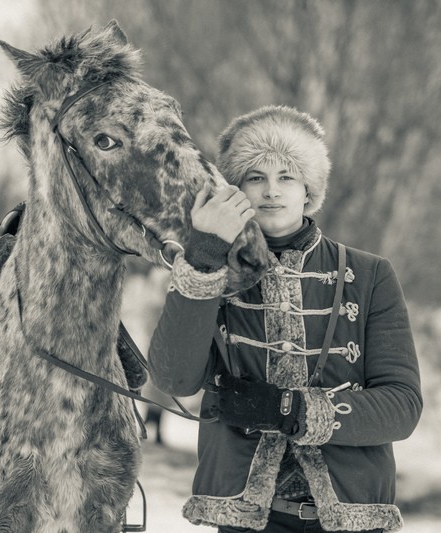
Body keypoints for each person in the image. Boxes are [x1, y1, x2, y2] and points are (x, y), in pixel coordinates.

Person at [147, 105, 422, 533]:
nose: (271, 191)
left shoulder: (370, 275)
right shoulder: (211, 269)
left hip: (351, 520)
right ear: (235, 191)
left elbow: (402, 406)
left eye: (287, 177)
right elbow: (174, 378)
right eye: (255, 177)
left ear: (308, 189)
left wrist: (292, 410)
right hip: (247, 520)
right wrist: (203, 256)